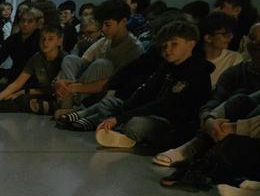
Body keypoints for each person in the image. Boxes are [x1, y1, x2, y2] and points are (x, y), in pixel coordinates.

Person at [152, 22, 260, 168]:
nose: (256, 44)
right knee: (239, 98)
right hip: (219, 128)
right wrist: (209, 119)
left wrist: (234, 127)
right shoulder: (236, 72)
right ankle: (196, 149)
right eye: (252, 38)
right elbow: (215, 99)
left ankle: (202, 154)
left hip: (247, 135)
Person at [95, 20, 211, 151]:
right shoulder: (166, 67)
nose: (167, 50)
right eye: (164, 46)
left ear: (191, 44)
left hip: (173, 124)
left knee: (135, 125)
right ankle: (120, 132)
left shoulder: (196, 71)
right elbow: (144, 93)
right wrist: (119, 114)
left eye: (174, 44)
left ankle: (126, 134)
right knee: (108, 104)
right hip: (151, 113)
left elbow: (164, 104)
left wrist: (121, 118)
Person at [53, 0, 143, 118]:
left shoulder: (134, 49)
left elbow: (113, 82)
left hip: (106, 94)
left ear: (123, 22)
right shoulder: (105, 41)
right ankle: (67, 101)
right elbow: (83, 61)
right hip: (82, 87)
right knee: (70, 59)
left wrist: (74, 87)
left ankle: (76, 106)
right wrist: (62, 81)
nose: (103, 29)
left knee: (103, 64)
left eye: (107, 25)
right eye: (102, 25)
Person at [0, 24, 66, 115]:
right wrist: (0, 96)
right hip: (37, 89)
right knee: (1, 89)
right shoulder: (36, 58)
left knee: (23, 100)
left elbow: (55, 89)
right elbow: (18, 83)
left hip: (54, 95)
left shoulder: (65, 59)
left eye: (50, 39)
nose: (45, 43)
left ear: (59, 41)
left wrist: (22, 92)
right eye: (43, 39)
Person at [199, 12, 243, 88]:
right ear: (208, 38)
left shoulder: (234, 58)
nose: (231, 37)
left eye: (231, 33)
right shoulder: (193, 59)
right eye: (225, 34)